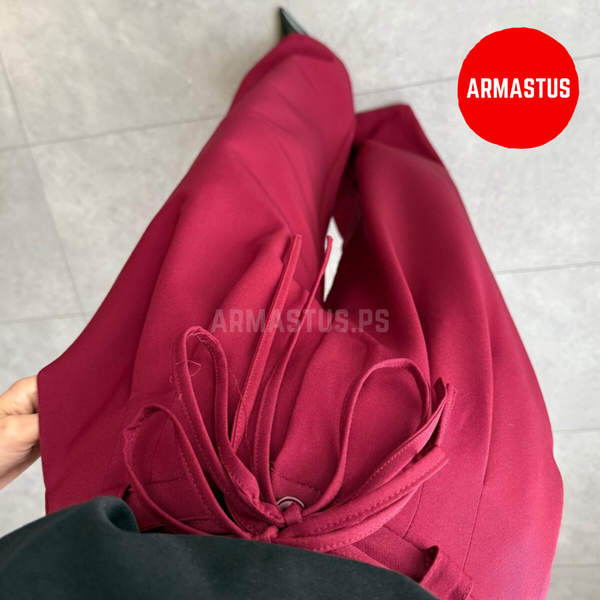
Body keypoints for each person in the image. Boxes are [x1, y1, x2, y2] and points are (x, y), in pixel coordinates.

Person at [0, 9, 562, 600]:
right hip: (186, 477)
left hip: (166, 483)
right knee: (275, 190)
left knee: (412, 251)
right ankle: (322, 87)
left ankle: (321, 88)